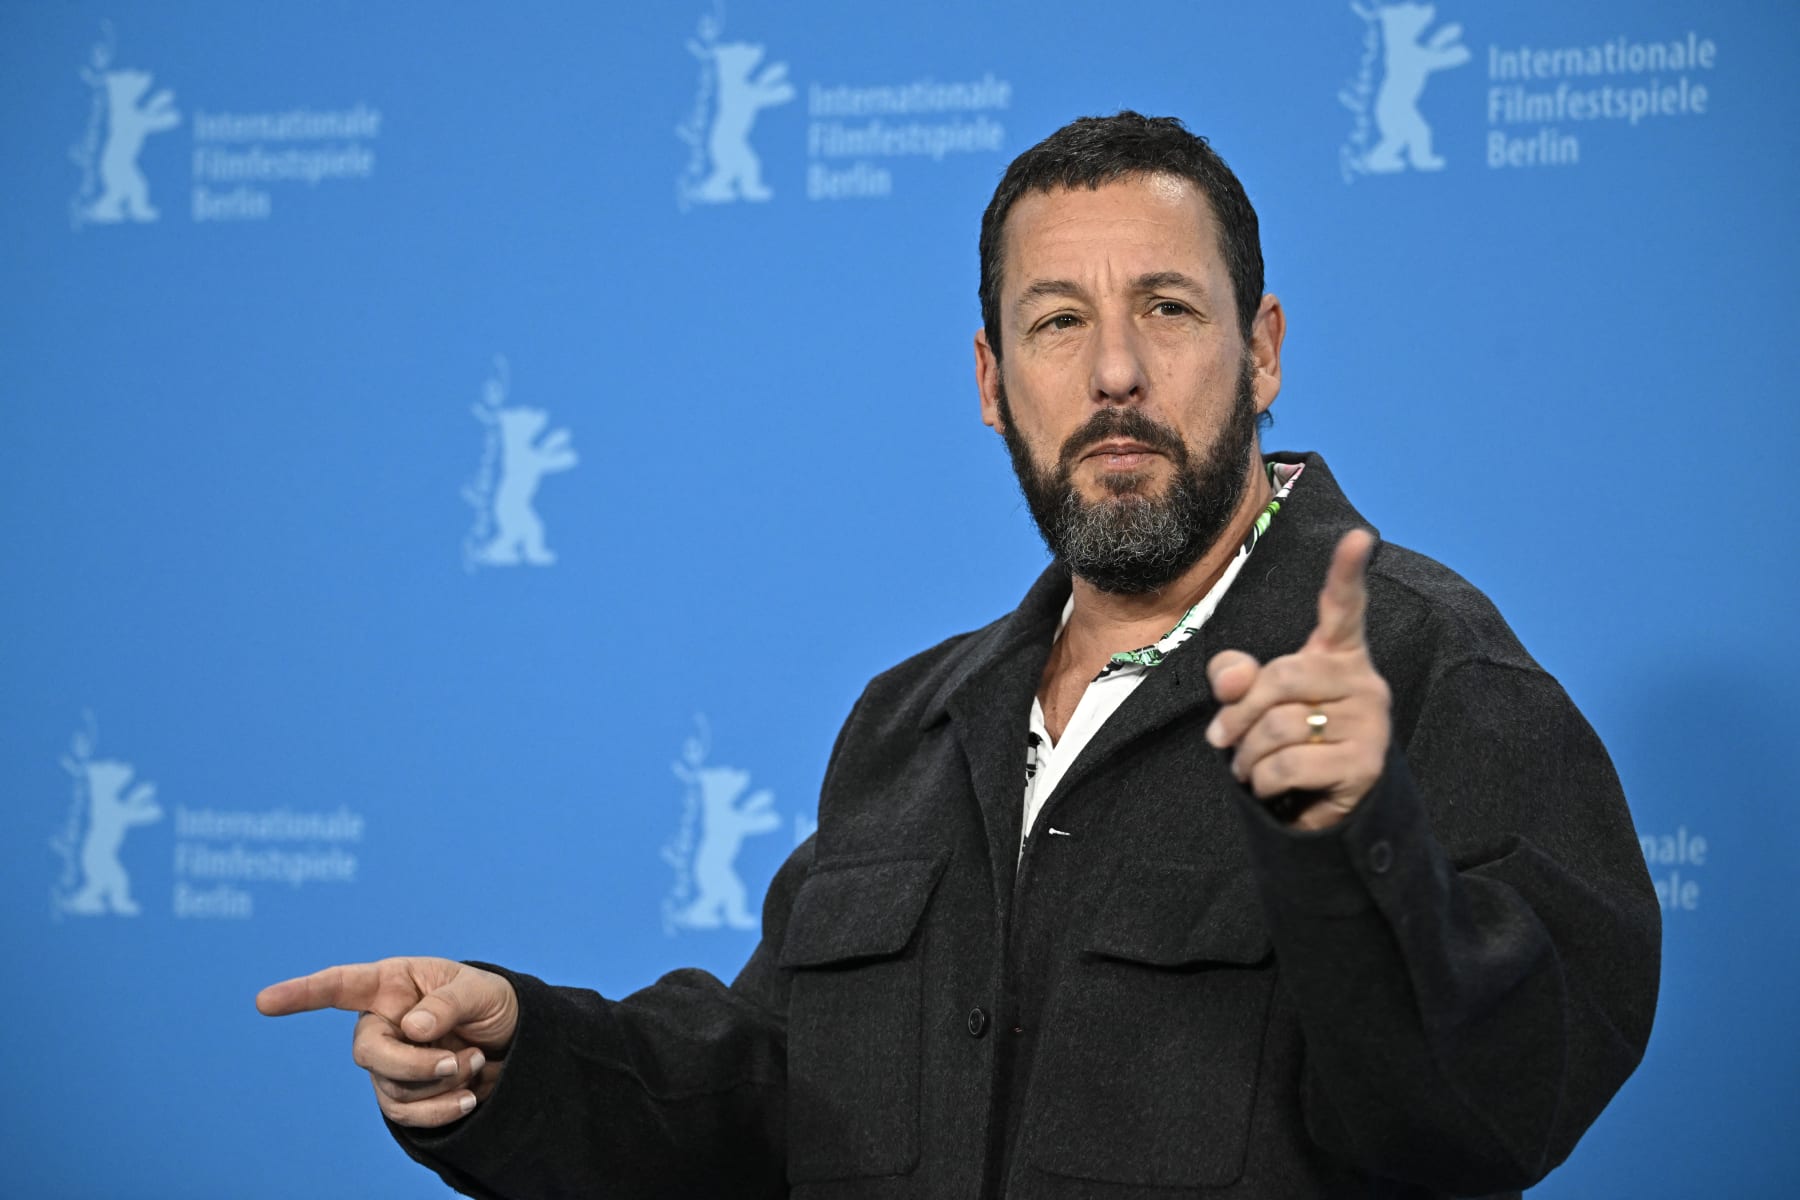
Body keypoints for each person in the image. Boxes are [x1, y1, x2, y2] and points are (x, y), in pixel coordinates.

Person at [258, 112, 1660, 1199]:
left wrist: (1362, 837)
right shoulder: (907, 724)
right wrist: (520, 1058)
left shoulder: (1433, 674)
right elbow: (767, 1102)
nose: (1116, 372)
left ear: (1265, 350)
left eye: (1168, 310)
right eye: (1059, 322)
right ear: (995, 383)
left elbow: (1495, 1115)